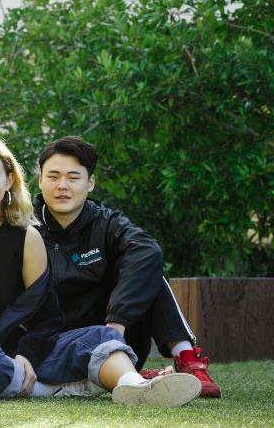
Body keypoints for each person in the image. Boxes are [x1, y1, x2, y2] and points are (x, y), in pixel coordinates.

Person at [0, 137, 200, 406]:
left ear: (9, 180)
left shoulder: (25, 236)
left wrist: (29, 354)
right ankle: (45, 389)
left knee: (102, 333)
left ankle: (136, 386)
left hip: (17, 343)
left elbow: (45, 314)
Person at [35, 135, 221, 398]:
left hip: (117, 340)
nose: (62, 186)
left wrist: (116, 325)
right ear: (40, 180)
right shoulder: (24, 228)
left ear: (90, 183)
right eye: (53, 176)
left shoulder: (106, 222)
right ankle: (136, 377)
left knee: (144, 261)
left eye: (73, 177)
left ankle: (188, 358)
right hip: (53, 344)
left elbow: (147, 250)